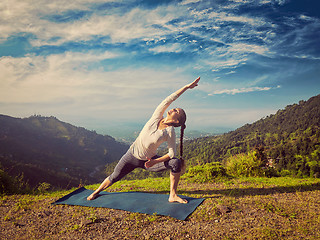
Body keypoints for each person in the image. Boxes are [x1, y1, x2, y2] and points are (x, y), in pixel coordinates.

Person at [87, 77, 200, 203]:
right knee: (114, 176)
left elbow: (171, 154)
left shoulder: (170, 132)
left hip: (148, 161)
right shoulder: (157, 117)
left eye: (176, 110)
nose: (173, 108)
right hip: (131, 156)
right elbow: (168, 99)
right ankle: (96, 192)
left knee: (175, 162)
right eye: (175, 108)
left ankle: (172, 195)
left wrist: (154, 161)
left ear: (176, 120)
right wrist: (186, 87)